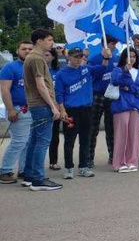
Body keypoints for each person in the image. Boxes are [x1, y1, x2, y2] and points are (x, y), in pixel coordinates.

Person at [21, 28, 63, 190]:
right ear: (40, 41)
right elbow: (40, 85)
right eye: (50, 40)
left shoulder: (31, 58)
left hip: (36, 104)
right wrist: (53, 106)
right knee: (42, 142)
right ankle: (38, 179)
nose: (52, 43)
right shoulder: (37, 58)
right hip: (42, 104)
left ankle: (29, 175)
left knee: (34, 141)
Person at [54, 46, 94, 178]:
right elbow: (59, 94)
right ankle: (69, 168)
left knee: (85, 139)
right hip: (71, 110)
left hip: (86, 108)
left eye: (81, 56)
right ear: (68, 57)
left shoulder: (86, 69)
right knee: (69, 140)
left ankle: (83, 166)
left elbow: (103, 68)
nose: (78, 59)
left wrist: (106, 57)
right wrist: (62, 110)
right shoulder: (61, 74)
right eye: (75, 57)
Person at [109, 48, 139, 172]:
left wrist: (130, 88)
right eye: (128, 56)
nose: (131, 59)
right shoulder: (118, 70)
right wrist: (125, 72)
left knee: (135, 135)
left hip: (137, 106)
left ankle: (132, 161)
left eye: (133, 56)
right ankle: (119, 163)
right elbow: (115, 81)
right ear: (123, 58)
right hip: (122, 105)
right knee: (121, 135)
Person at [0, 40, 34, 184]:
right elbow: (5, 89)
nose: (27, 51)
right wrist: (11, 109)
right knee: (18, 142)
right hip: (18, 109)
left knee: (27, 142)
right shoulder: (10, 67)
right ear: (17, 51)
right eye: (23, 49)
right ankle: (5, 171)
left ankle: (23, 169)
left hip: (32, 109)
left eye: (29, 49)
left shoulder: (33, 67)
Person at [88, 36, 120, 166]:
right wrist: (104, 60)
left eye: (115, 44)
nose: (115, 46)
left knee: (111, 127)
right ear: (106, 44)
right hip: (97, 95)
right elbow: (92, 75)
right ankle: (89, 158)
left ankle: (113, 156)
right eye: (113, 43)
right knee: (93, 127)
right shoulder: (94, 59)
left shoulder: (117, 59)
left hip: (111, 96)